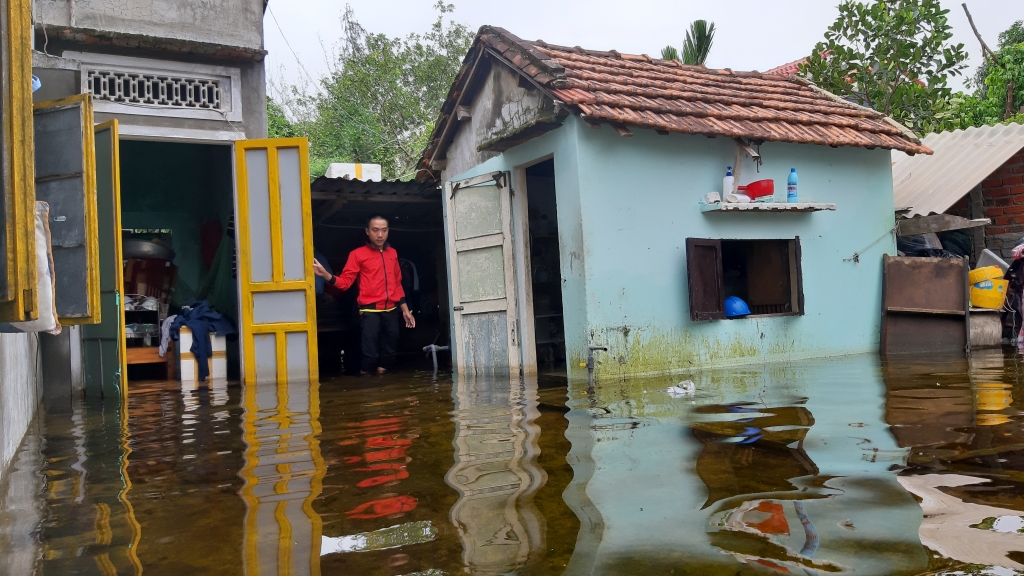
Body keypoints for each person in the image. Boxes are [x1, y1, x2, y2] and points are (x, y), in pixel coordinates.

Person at [313, 215, 416, 375]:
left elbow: (397, 283)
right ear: (367, 232)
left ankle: (382, 387)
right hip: (370, 312)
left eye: (384, 230)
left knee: (389, 353)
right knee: (369, 354)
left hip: (391, 310)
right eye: (375, 230)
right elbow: (345, 282)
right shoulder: (357, 254)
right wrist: (326, 274)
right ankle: (366, 388)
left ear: (388, 231)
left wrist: (405, 310)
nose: (380, 235)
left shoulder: (392, 253)